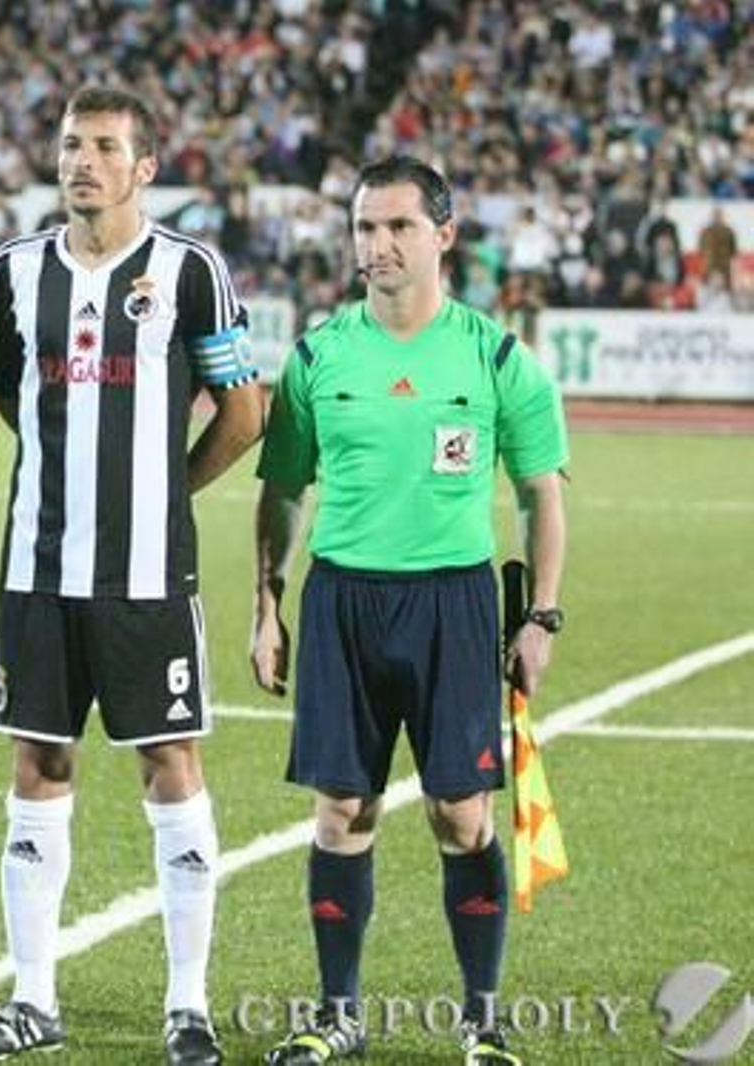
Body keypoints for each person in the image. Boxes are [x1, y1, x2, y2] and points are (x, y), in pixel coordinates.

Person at [0, 86, 263, 1066]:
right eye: (69, 145)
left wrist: (165, 491)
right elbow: (7, 396)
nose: (81, 162)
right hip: (39, 568)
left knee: (169, 765)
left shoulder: (190, 272)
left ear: (145, 167)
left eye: (103, 147)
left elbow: (243, 413)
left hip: (146, 575)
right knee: (38, 765)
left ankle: (187, 1005)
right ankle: (33, 999)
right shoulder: (13, 272)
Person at [251, 156, 568, 1066]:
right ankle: (337, 1016)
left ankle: (482, 1021)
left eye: (398, 226)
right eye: (365, 227)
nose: (378, 244)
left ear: (444, 235)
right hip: (342, 601)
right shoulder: (318, 357)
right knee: (341, 811)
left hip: (453, 605)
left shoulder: (496, 358)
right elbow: (282, 492)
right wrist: (268, 605)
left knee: (461, 816)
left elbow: (540, 495)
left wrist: (541, 617)